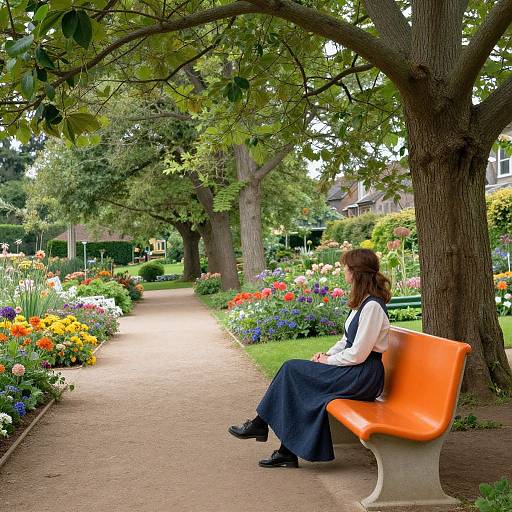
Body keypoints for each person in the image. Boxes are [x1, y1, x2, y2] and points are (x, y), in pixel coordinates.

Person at [228, 248, 391, 468]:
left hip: (363, 375)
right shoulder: (362, 303)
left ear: (356, 273)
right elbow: (346, 341)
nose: (344, 271)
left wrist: (328, 362)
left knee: (291, 370)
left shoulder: (372, 306)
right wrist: (327, 354)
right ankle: (284, 450)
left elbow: (359, 353)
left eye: (347, 267)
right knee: (294, 376)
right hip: (354, 369)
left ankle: (261, 424)